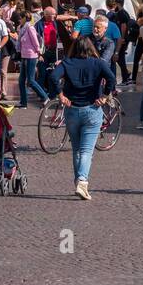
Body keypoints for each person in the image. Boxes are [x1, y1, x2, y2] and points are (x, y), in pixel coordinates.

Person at [50, 36, 116, 200]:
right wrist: (105, 96)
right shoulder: (98, 63)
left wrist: (60, 95)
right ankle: (82, 181)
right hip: (92, 109)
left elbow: (53, 77)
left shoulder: (67, 62)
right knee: (86, 150)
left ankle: (78, 181)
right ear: (91, 48)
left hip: (72, 109)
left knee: (77, 150)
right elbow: (112, 78)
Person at [16, 12, 49, 109]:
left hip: (31, 56)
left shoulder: (30, 28)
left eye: (20, 18)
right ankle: (23, 103)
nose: (18, 20)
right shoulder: (22, 29)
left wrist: (39, 53)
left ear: (24, 18)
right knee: (21, 80)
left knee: (31, 80)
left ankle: (45, 97)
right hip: (24, 55)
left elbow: (35, 41)